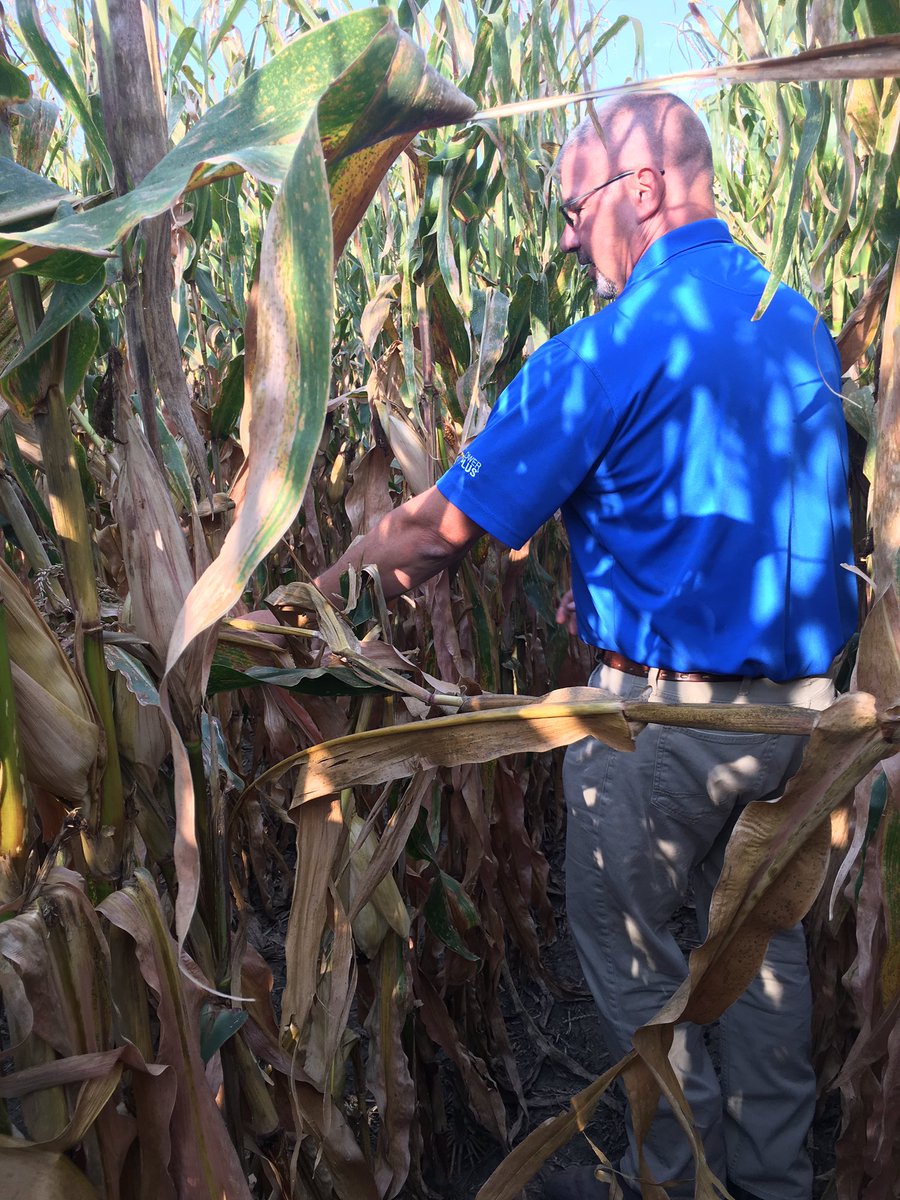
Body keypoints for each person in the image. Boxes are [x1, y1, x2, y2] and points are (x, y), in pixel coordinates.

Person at [315, 92, 857, 1200]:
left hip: (662, 729)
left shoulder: (606, 350)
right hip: (803, 726)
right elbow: (746, 509)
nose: (566, 239)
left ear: (642, 189)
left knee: (639, 969)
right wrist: (614, 572)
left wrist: (313, 591)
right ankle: (773, 1184)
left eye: (573, 210)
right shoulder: (795, 320)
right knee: (762, 951)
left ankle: (680, 1179)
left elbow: (435, 538)